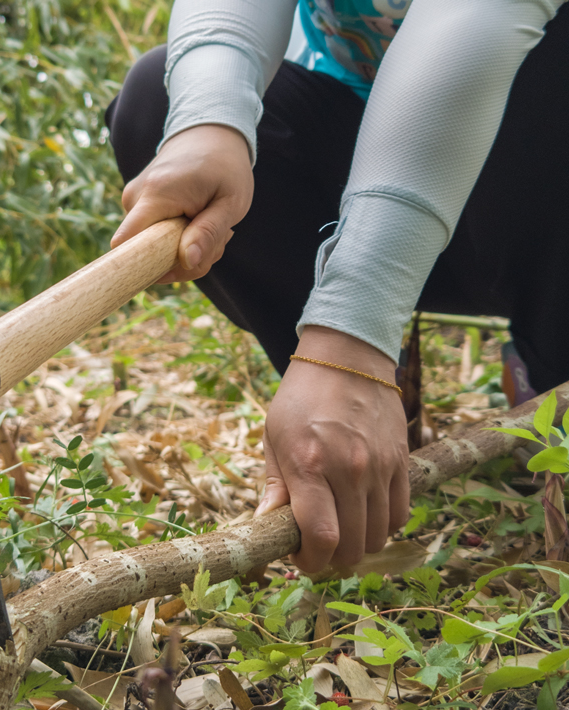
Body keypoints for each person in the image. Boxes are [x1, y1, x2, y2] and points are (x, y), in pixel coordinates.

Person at [105, 0, 569, 573]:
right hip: (367, 164)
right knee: (156, 99)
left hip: (536, 181)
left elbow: (474, 20)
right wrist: (209, 123)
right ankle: (367, 408)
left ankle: (552, 369)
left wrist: (352, 325)